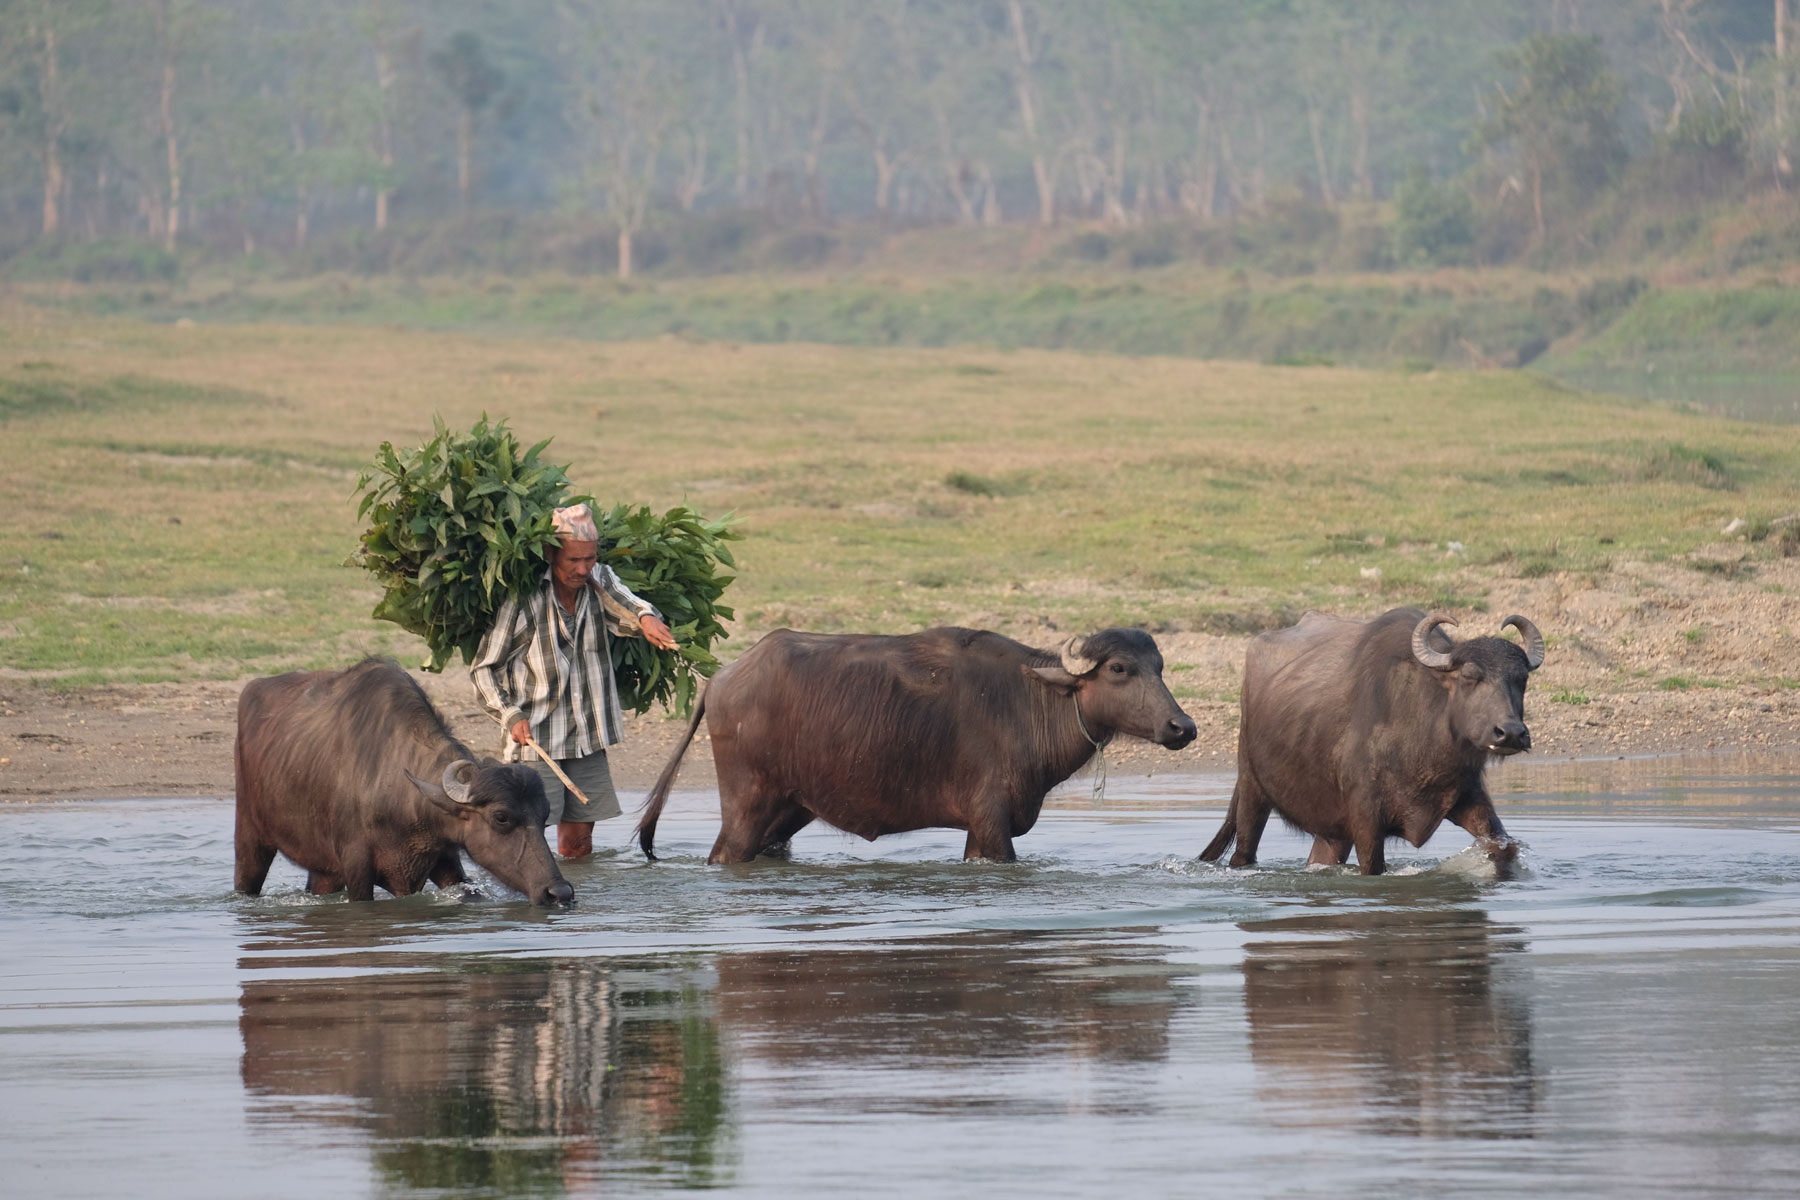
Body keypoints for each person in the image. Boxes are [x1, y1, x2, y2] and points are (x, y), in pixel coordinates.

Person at [471, 503, 679, 858]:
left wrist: (646, 618)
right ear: (552, 554)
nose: (584, 569)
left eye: (590, 559)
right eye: (574, 561)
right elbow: (483, 668)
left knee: (580, 842)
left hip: (587, 735)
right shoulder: (524, 600)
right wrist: (510, 715)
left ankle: (573, 907)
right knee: (528, 838)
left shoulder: (599, 580)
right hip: (537, 737)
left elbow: (625, 602)